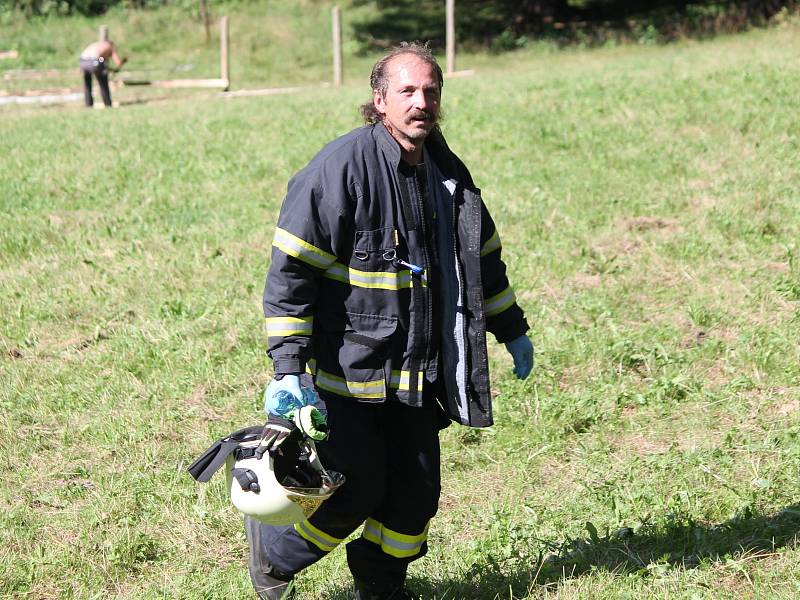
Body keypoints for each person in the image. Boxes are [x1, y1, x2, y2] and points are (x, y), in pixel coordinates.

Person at [249, 42, 535, 600]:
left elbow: (481, 260)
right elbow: (291, 274)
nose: (420, 101)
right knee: (355, 490)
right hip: (349, 372)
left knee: (415, 497)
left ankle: (380, 588)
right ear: (380, 100)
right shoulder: (338, 170)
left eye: (430, 90)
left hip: (418, 374)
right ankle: (275, 555)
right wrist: (288, 370)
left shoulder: (447, 173)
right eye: (407, 90)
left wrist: (512, 328)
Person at [79, 39, 126, 108]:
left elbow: (100, 59)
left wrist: (105, 65)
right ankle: (107, 103)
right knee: (103, 82)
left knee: (87, 83)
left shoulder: (97, 44)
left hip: (83, 61)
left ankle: (88, 103)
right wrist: (123, 61)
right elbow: (118, 62)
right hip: (94, 61)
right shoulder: (110, 47)